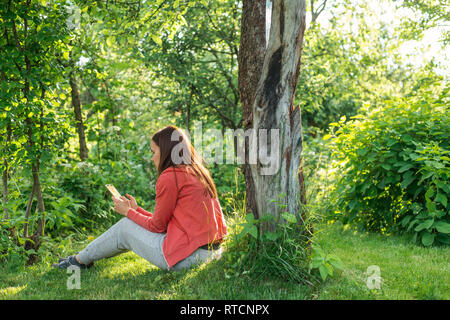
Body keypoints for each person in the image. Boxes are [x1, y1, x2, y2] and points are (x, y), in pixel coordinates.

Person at [52, 125, 227, 271]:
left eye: (154, 151)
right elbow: (166, 221)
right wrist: (136, 211)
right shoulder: (197, 171)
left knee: (125, 228)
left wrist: (128, 213)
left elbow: (158, 226)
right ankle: (82, 258)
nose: (152, 158)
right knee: (128, 224)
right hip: (211, 253)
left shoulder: (170, 176)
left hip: (188, 257)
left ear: (165, 151)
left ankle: (78, 261)